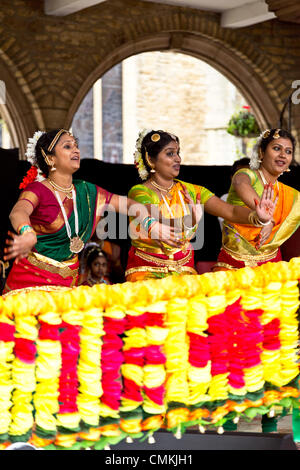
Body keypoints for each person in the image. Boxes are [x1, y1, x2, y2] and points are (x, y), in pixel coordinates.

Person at [3, 129, 179, 294]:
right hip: (29, 285)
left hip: (66, 287)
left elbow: (130, 205)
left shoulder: (87, 192)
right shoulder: (38, 190)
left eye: (76, 145)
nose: (76, 150)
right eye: (67, 146)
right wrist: (26, 232)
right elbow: (18, 212)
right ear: (50, 159)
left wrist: (151, 225)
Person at [125, 129, 276, 282]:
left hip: (185, 274)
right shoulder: (139, 192)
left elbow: (231, 211)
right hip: (147, 275)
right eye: (170, 153)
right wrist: (188, 221)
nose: (178, 158)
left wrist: (258, 217)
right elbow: (156, 220)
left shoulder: (192, 191)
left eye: (178, 153)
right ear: (151, 159)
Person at [213, 128, 300, 271]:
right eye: (277, 148)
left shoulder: (291, 195)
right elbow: (241, 183)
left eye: (288, 151)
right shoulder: (247, 175)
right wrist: (267, 218)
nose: (283, 155)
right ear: (261, 152)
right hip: (234, 267)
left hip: (271, 267)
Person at [218, 157, 250, 230]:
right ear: (232, 178)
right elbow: (228, 228)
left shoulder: (263, 197)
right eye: (240, 175)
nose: (246, 179)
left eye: (250, 175)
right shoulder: (225, 199)